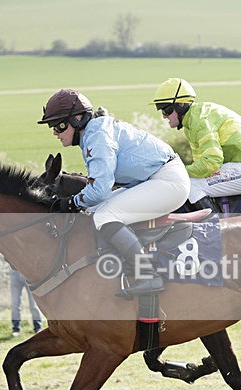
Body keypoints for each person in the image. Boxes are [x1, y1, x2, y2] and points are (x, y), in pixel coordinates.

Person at [38, 89, 189, 297]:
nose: (55, 132)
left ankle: (147, 275)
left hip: (167, 181)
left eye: (59, 125)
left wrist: (70, 203)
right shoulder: (93, 131)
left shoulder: (96, 136)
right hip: (155, 178)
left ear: (78, 119)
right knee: (94, 210)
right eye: (52, 127)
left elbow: (100, 189)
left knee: (104, 215)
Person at [150, 78, 241, 210]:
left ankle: (215, 227)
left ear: (181, 104)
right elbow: (201, 165)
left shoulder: (199, 119)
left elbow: (211, 162)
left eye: (166, 110)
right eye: (160, 110)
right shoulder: (192, 121)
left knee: (191, 184)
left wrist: (179, 172)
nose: (164, 116)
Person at [9, 265, 43, 336]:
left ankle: (38, 327)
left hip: (29, 273)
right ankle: (16, 329)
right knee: (15, 303)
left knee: (33, 304)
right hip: (15, 274)